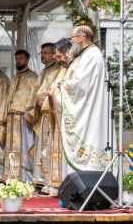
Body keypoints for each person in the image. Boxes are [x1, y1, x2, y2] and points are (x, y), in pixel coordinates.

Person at [51, 26, 110, 172]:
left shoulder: (90, 55)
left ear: (82, 37)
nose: (72, 42)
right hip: (91, 104)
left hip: (90, 106)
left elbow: (80, 85)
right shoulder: (89, 54)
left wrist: (60, 86)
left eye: (73, 38)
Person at [25, 43, 59, 186]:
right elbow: (36, 92)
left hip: (50, 113)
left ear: (53, 54)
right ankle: (39, 178)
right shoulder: (44, 71)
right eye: (41, 53)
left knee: (47, 147)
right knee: (40, 146)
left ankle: (47, 179)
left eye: (45, 52)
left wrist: (43, 101)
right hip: (42, 114)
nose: (42, 55)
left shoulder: (57, 70)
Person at [43, 38, 73, 196]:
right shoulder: (64, 68)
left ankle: (64, 185)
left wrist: (53, 92)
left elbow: (71, 93)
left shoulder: (73, 67)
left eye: (59, 56)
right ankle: (56, 184)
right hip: (58, 118)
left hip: (67, 120)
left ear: (67, 52)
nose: (57, 60)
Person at [3, 50, 37, 182]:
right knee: (12, 148)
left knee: (25, 147)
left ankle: (26, 177)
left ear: (27, 59)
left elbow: (33, 97)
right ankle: (12, 176)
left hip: (24, 117)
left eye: (21, 58)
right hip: (12, 117)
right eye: (16, 58)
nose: (18, 61)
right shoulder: (14, 77)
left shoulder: (33, 77)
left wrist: (29, 115)